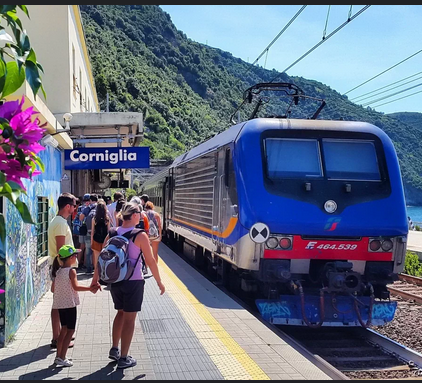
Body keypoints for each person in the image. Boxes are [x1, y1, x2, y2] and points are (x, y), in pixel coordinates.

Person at [91, 202, 165, 369]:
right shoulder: (140, 235)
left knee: (120, 313)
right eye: (139, 212)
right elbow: (151, 261)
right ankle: (124, 358)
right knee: (130, 319)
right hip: (134, 282)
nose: (141, 215)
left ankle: (114, 349)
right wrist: (159, 282)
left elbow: (101, 258)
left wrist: (95, 279)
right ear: (133, 216)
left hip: (115, 281)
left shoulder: (112, 233)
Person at [51, 245, 101, 367]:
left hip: (61, 304)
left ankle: (58, 356)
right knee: (70, 330)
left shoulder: (58, 271)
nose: (77, 257)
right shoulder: (71, 271)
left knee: (63, 330)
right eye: (75, 255)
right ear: (71, 258)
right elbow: (76, 287)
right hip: (70, 305)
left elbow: (53, 289)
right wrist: (90, 288)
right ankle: (62, 357)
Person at [47, 192, 77, 349]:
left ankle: (58, 337)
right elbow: (61, 249)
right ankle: (58, 338)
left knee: (57, 303)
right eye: (73, 206)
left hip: (60, 267)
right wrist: (66, 270)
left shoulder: (59, 221)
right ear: (67, 206)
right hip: (61, 267)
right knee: (59, 304)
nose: (74, 208)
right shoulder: (60, 224)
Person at [79, 194, 98, 273]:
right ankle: (97, 269)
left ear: (90, 200)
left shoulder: (88, 208)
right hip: (99, 233)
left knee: (88, 251)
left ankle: (88, 269)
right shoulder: (101, 207)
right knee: (97, 251)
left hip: (89, 231)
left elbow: (81, 217)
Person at [91, 200, 111, 272]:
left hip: (96, 240)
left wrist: (91, 242)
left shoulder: (94, 219)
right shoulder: (107, 219)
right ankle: (103, 272)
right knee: (104, 257)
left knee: (96, 258)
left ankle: (96, 274)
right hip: (105, 240)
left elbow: (93, 232)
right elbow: (109, 231)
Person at [77, 193, 91, 269]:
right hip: (87, 228)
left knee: (81, 246)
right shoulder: (89, 208)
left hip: (81, 228)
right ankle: (85, 264)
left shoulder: (80, 208)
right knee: (87, 247)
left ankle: (78, 263)